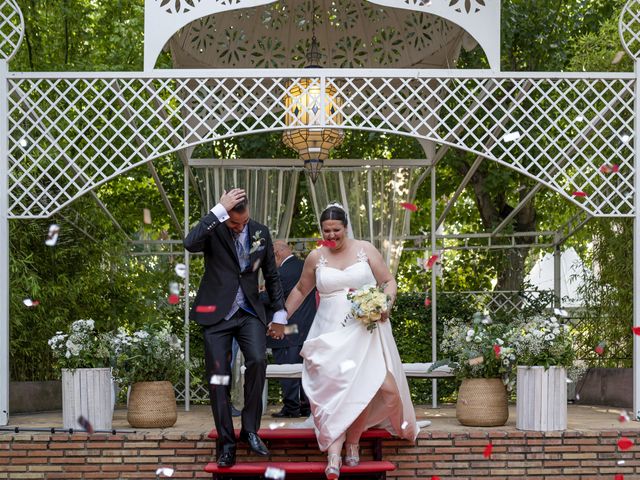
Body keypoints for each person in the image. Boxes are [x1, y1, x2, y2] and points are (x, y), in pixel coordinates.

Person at [283, 204, 418, 479]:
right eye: (326, 231)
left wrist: (385, 304)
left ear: (346, 227)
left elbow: (388, 281)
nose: (331, 236)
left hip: (363, 330)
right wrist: (280, 317)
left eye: (336, 231)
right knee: (331, 393)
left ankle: (353, 443)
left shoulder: (365, 249)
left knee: (365, 387)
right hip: (328, 331)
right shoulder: (315, 257)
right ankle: (334, 454)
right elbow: (300, 289)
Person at [184, 188, 287, 468]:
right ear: (224, 213)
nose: (240, 228)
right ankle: (227, 443)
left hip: (250, 312)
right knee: (218, 379)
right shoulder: (214, 228)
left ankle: (250, 430)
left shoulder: (260, 232)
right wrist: (217, 213)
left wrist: (279, 313)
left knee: (257, 360)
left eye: (243, 223)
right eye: (233, 223)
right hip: (217, 316)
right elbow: (189, 243)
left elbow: (272, 276)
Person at [267, 240, 316, 418]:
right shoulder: (305, 267)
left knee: (286, 368)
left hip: (286, 329)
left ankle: (291, 407)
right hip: (307, 329)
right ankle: (305, 405)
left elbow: (272, 298)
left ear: (277, 254)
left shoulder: (280, 273)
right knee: (304, 369)